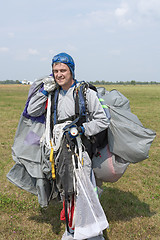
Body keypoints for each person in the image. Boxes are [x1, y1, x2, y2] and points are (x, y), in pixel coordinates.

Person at [9, 52, 110, 240]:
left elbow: (102, 120)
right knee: (65, 191)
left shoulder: (85, 92)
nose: (59, 74)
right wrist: (43, 91)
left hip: (79, 150)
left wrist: (81, 129)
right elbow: (32, 110)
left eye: (63, 70)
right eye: (55, 71)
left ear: (71, 71)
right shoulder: (52, 92)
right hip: (58, 152)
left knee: (83, 190)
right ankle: (72, 230)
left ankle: (93, 234)